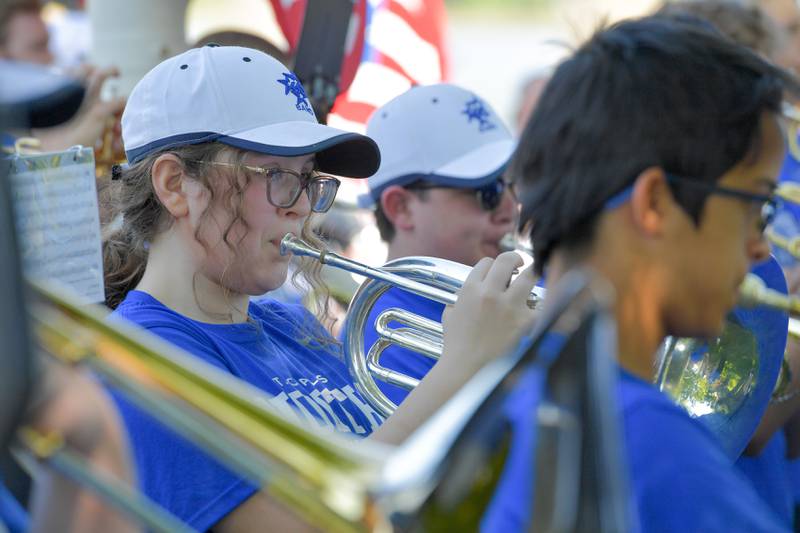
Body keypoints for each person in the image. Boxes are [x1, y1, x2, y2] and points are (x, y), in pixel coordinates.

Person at [102, 44, 536, 531]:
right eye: (277, 177)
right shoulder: (141, 362)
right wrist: (462, 365)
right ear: (175, 185)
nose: (302, 207)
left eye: (308, 179)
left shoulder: (290, 323)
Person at [440, 15, 800, 531]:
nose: (762, 247)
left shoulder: (499, 393)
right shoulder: (652, 445)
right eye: (755, 207)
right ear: (654, 202)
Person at [353, 83, 519, 406]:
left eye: (512, 183)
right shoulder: (384, 340)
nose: (511, 209)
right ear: (401, 207)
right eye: (488, 192)